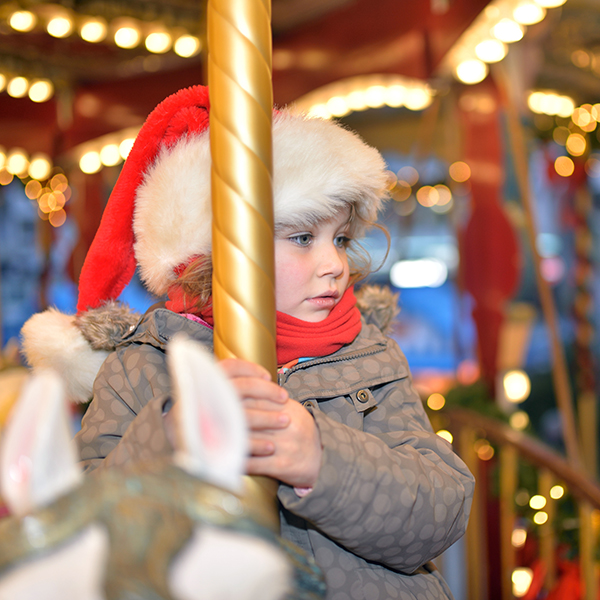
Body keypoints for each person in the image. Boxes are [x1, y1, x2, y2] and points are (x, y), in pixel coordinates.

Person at [21, 85, 474, 600]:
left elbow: (442, 509)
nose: (336, 265)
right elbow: (86, 531)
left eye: (341, 239)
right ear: (219, 247)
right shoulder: (143, 366)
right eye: (303, 237)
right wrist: (170, 437)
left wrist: (322, 460)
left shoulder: (367, 357)